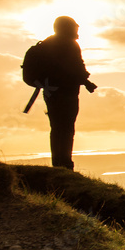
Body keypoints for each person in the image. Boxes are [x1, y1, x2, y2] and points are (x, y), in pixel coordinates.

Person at [42, 15, 97, 169]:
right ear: (67, 27)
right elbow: (76, 68)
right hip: (66, 93)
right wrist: (87, 82)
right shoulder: (70, 45)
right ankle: (65, 164)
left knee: (57, 127)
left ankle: (58, 163)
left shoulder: (48, 43)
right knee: (66, 128)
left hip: (50, 92)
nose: (77, 29)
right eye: (74, 26)